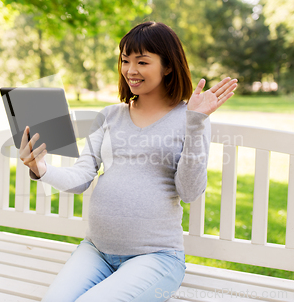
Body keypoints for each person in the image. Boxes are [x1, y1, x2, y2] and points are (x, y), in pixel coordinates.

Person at [19, 21, 237, 302]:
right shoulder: (109, 116)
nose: (130, 70)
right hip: (96, 250)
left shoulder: (191, 118)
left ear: (168, 66)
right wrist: (40, 169)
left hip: (157, 257)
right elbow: (82, 176)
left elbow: (190, 191)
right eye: (125, 60)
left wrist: (195, 123)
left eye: (142, 61)